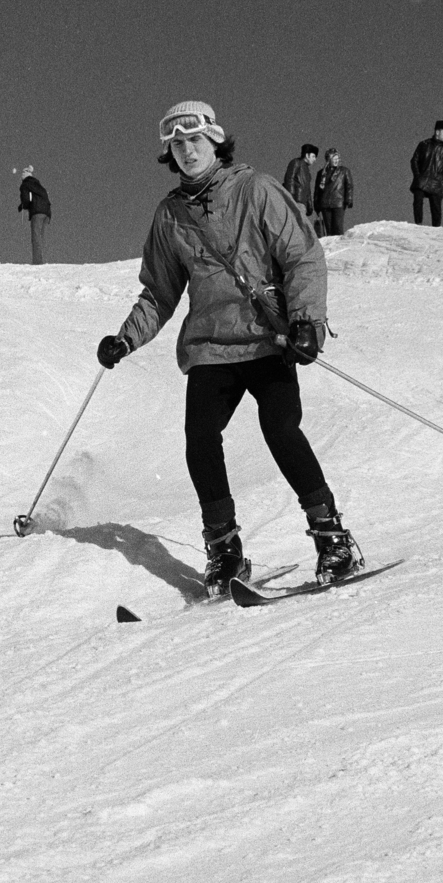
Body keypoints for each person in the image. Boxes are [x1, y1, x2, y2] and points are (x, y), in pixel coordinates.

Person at [95, 99, 361, 599]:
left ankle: (333, 538)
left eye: (194, 140)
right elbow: (160, 291)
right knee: (200, 438)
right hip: (212, 346)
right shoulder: (170, 216)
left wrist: (306, 322)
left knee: (280, 428)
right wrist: (126, 337)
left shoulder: (256, 189)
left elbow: (303, 256)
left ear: (215, 140)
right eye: (177, 145)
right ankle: (224, 551)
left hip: (267, 340)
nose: (187, 150)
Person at [410, 120, 443, 226]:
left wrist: (442, 175)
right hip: (422, 179)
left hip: (436, 182)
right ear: (437, 132)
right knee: (418, 201)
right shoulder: (424, 144)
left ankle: (436, 230)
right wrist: (417, 175)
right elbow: (414, 160)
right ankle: (418, 224)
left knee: (436, 208)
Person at [314, 148, 354, 236]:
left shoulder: (344, 171)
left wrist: (349, 198)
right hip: (324, 204)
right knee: (329, 229)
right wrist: (316, 204)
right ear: (328, 160)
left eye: (337, 159)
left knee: (338, 228)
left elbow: (349, 186)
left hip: (338, 203)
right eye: (334, 159)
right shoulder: (321, 173)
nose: (336, 161)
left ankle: (339, 247)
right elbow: (317, 190)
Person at [283, 143, 321, 233]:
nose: (314, 159)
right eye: (313, 156)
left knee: (300, 225)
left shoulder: (307, 171)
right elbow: (289, 179)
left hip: (302, 203)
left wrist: (309, 205)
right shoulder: (296, 163)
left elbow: (307, 189)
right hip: (295, 200)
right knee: (295, 224)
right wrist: (290, 197)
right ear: (307, 155)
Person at [17, 166, 51, 264]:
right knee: (40, 237)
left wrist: (23, 205)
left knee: (36, 237)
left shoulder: (25, 184)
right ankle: (40, 260)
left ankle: (37, 262)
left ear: (24, 176)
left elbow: (26, 199)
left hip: (37, 212)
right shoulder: (38, 185)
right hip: (46, 212)